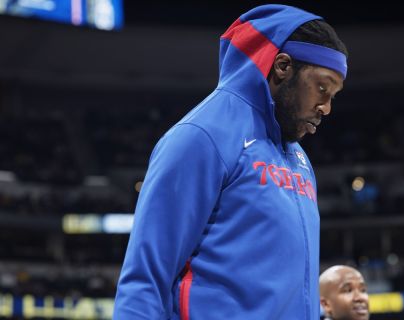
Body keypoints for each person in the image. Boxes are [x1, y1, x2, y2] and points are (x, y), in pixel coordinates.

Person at [113, 4, 347, 319]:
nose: (326, 107)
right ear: (282, 66)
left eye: (333, 95)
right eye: (322, 88)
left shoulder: (300, 159)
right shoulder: (202, 136)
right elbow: (145, 277)